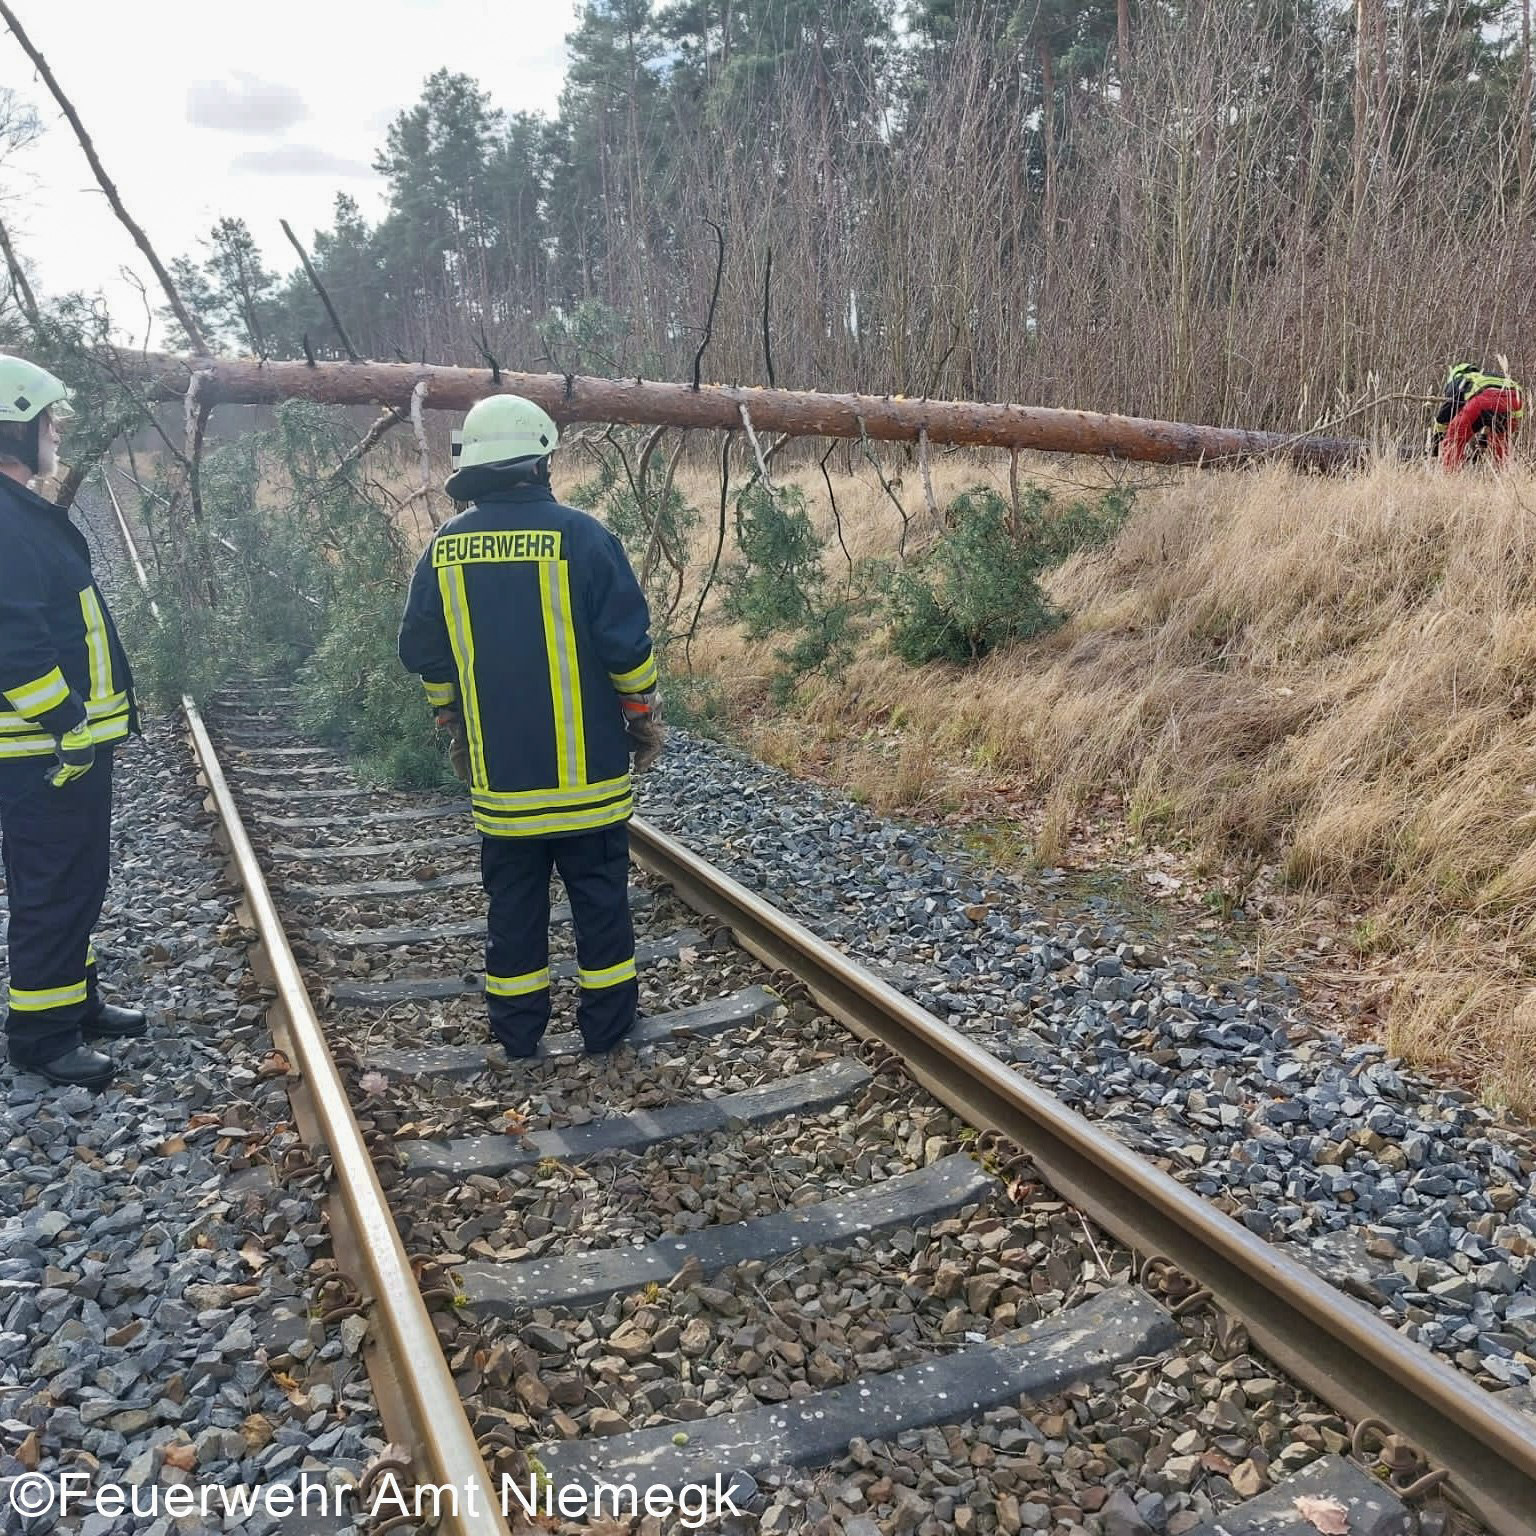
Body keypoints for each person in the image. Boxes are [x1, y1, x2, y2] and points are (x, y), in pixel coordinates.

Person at [398, 394, 663, 1059]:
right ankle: (606, 1028)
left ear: (474, 468)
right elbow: (626, 648)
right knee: (600, 901)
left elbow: (425, 651)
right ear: (540, 461)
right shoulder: (584, 537)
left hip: (503, 785)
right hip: (588, 780)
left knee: (513, 907)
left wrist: (450, 716)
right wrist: (640, 715)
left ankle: (518, 1033)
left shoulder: (444, 549)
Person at [0, 356, 144, 1090]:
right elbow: (13, 644)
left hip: (45, 748)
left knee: (72, 879)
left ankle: (72, 1000)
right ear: (15, 428)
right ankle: (43, 1036)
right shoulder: (6, 520)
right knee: (55, 884)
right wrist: (68, 726)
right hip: (42, 750)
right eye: (47, 419)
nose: (56, 431)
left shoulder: (16, 512)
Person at [1432, 361, 1524, 469]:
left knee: (1455, 435)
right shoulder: (1485, 377)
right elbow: (1492, 414)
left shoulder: (1460, 379)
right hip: (1515, 400)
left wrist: (1437, 439)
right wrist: (1484, 437)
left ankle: (1450, 472)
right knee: (1500, 441)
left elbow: (1446, 411)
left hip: (1483, 399)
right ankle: (1504, 472)